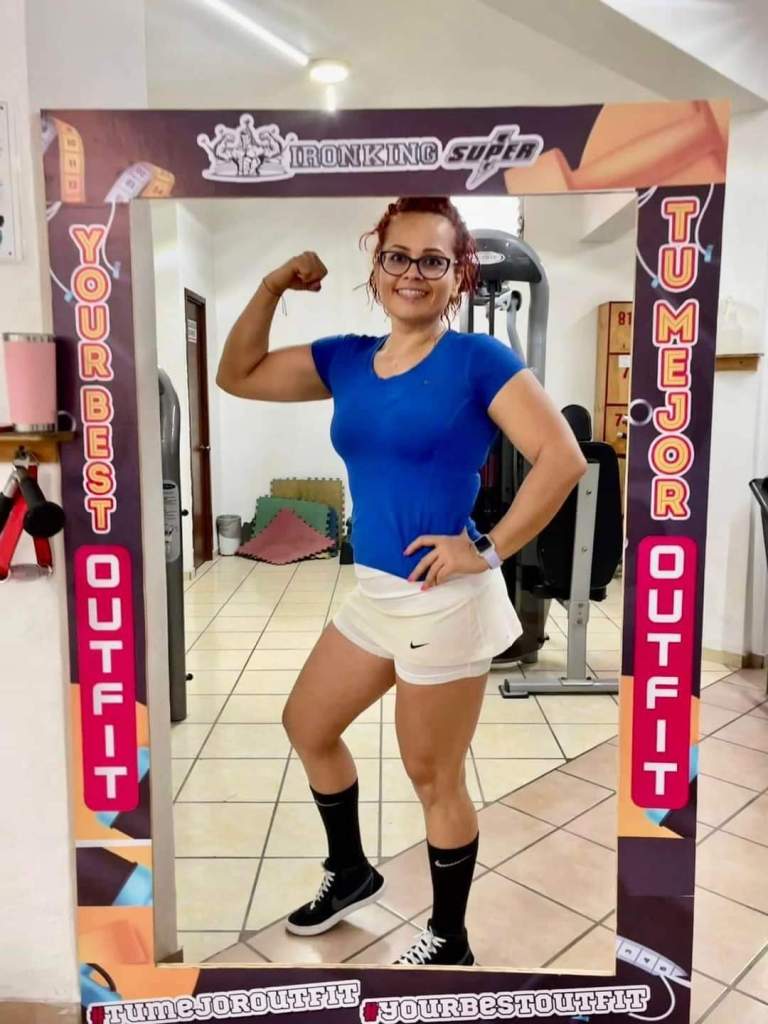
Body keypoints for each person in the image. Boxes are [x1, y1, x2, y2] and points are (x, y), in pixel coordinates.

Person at [216, 196, 586, 966]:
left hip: (442, 603)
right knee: (308, 725)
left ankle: (449, 938)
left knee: (431, 776)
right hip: (377, 596)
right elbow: (237, 374)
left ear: (458, 276)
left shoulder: (478, 361)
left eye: (433, 260)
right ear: (376, 263)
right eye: (398, 256)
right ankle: (351, 871)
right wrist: (274, 286)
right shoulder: (347, 359)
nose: (412, 273)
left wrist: (487, 549)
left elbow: (563, 458)